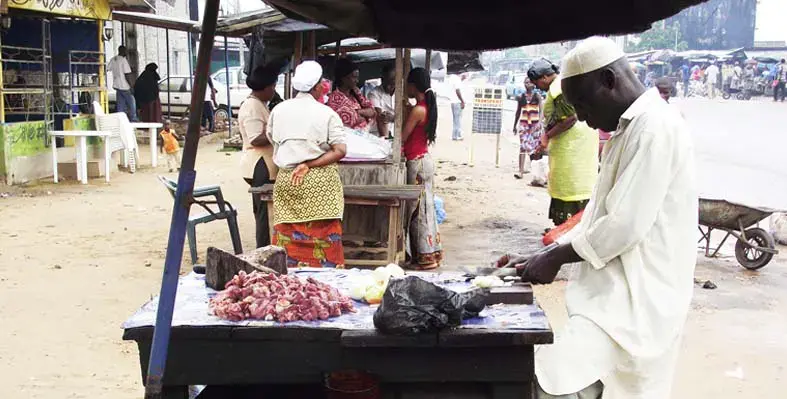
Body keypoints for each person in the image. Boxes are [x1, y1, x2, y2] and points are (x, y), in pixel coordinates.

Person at [499, 36, 697, 399]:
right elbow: (599, 212)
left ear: (609, 80)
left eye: (584, 105)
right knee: (572, 381)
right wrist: (546, 252)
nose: (585, 119)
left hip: (635, 297)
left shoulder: (654, 128)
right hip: (610, 297)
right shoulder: (630, 127)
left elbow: (624, 224)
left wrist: (556, 257)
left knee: (554, 382)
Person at [267, 61, 347, 268]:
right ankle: (328, 279)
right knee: (324, 237)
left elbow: (273, 139)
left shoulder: (278, 110)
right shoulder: (327, 113)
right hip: (319, 184)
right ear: (318, 86)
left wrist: (296, 157)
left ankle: (290, 278)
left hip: (288, 180)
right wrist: (309, 163)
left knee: (288, 236)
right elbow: (340, 150)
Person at [527, 58, 598, 226]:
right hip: (577, 143)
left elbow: (569, 118)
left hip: (574, 145)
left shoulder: (558, 88)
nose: (537, 87)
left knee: (571, 185)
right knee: (571, 183)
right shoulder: (562, 83)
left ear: (544, 77)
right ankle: (567, 228)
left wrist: (547, 136)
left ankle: (568, 229)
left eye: (537, 83)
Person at [402, 67, 443, 270]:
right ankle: (429, 253)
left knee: (417, 211)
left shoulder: (418, 110)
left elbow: (403, 136)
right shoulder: (425, 106)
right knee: (425, 209)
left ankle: (424, 257)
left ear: (413, 85)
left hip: (416, 162)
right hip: (424, 159)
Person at [239, 64, 280, 248]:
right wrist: (277, 134)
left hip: (264, 164)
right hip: (259, 164)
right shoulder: (252, 106)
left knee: (266, 211)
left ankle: (266, 246)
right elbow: (256, 138)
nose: (274, 91)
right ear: (265, 87)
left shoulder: (259, 104)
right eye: (273, 87)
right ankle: (263, 249)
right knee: (263, 212)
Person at [327, 58, 376, 131]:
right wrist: (363, 114)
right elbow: (347, 121)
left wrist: (359, 112)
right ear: (344, 78)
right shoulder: (334, 99)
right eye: (354, 77)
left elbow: (373, 112)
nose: (357, 81)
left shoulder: (356, 94)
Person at [512, 77, 543, 179]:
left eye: (529, 82)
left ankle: (536, 173)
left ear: (534, 84)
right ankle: (520, 171)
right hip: (524, 124)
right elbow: (518, 112)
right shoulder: (521, 97)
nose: (527, 84)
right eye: (526, 82)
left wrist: (539, 122)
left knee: (535, 148)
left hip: (534, 125)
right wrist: (515, 125)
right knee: (523, 147)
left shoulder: (537, 96)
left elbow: (542, 110)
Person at [108, 46, 138, 122]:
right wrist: (131, 86)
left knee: (120, 104)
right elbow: (127, 74)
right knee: (132, 102)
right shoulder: (123, 60)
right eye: (126, 51)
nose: (126, 53)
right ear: (123, 51)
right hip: (124, 86)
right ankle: (133, 118)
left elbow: (108, 68)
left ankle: (120, 119)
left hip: (117, 85)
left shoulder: (113, 59)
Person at [368, 64, 396, 138]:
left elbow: (407, 116)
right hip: (378, 135)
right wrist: (385, 139)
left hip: (398, 133)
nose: (388, 87)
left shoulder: (403, 92)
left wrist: (393, 118)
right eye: (385, 83)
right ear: (382, 79)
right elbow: (381, 117)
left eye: (391, 84)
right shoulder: (374, 93)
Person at [447, 73, 467, 140]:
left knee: (456, 119)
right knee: (457, 120)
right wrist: (462, 101)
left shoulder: (452, 78)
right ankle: (456, 135)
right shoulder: (456, 79)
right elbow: (457, 90)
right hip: (457, 102)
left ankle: (456, 134)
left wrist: (461, 79)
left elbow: (455, 87)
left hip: (453, 102)